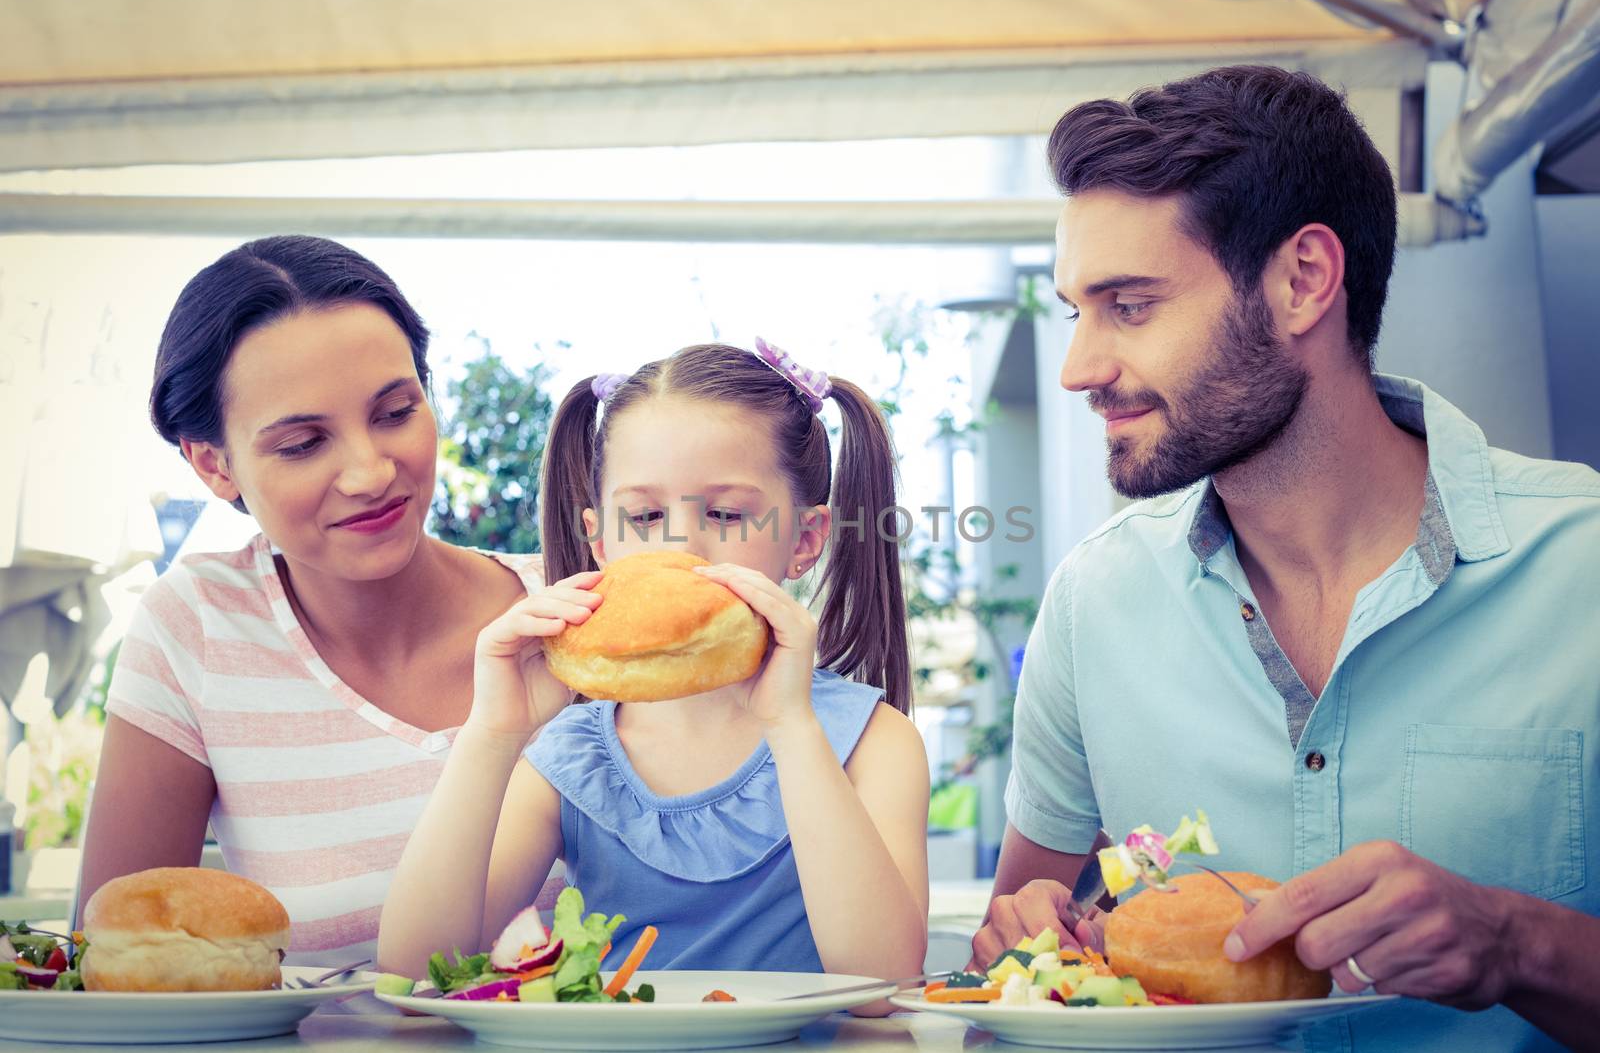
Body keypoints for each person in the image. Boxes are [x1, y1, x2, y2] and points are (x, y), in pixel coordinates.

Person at [972, 66, 1599, 1052]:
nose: (1078, 367)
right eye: (1075, 311)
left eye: (1128, 305)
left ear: (1303, 279)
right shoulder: (1093, 602)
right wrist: (1028, 943)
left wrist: (1514, 940)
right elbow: (1007, 979)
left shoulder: (1583, 570)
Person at [377, 341, 930, 984]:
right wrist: (491, 735)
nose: (680, 545)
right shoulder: (571, 757)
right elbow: (415, 970)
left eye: (725, 514)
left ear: (805, 540)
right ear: (602, 542)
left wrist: (792, 727)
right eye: (644, 516)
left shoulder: (871, 742)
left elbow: (881, 984)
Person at [80, 236, 547, 966]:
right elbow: (115, 961)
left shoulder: (573, 610)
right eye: (302, 443)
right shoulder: (197, 625)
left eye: (396, 412)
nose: (369, 471)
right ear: (214, 463)